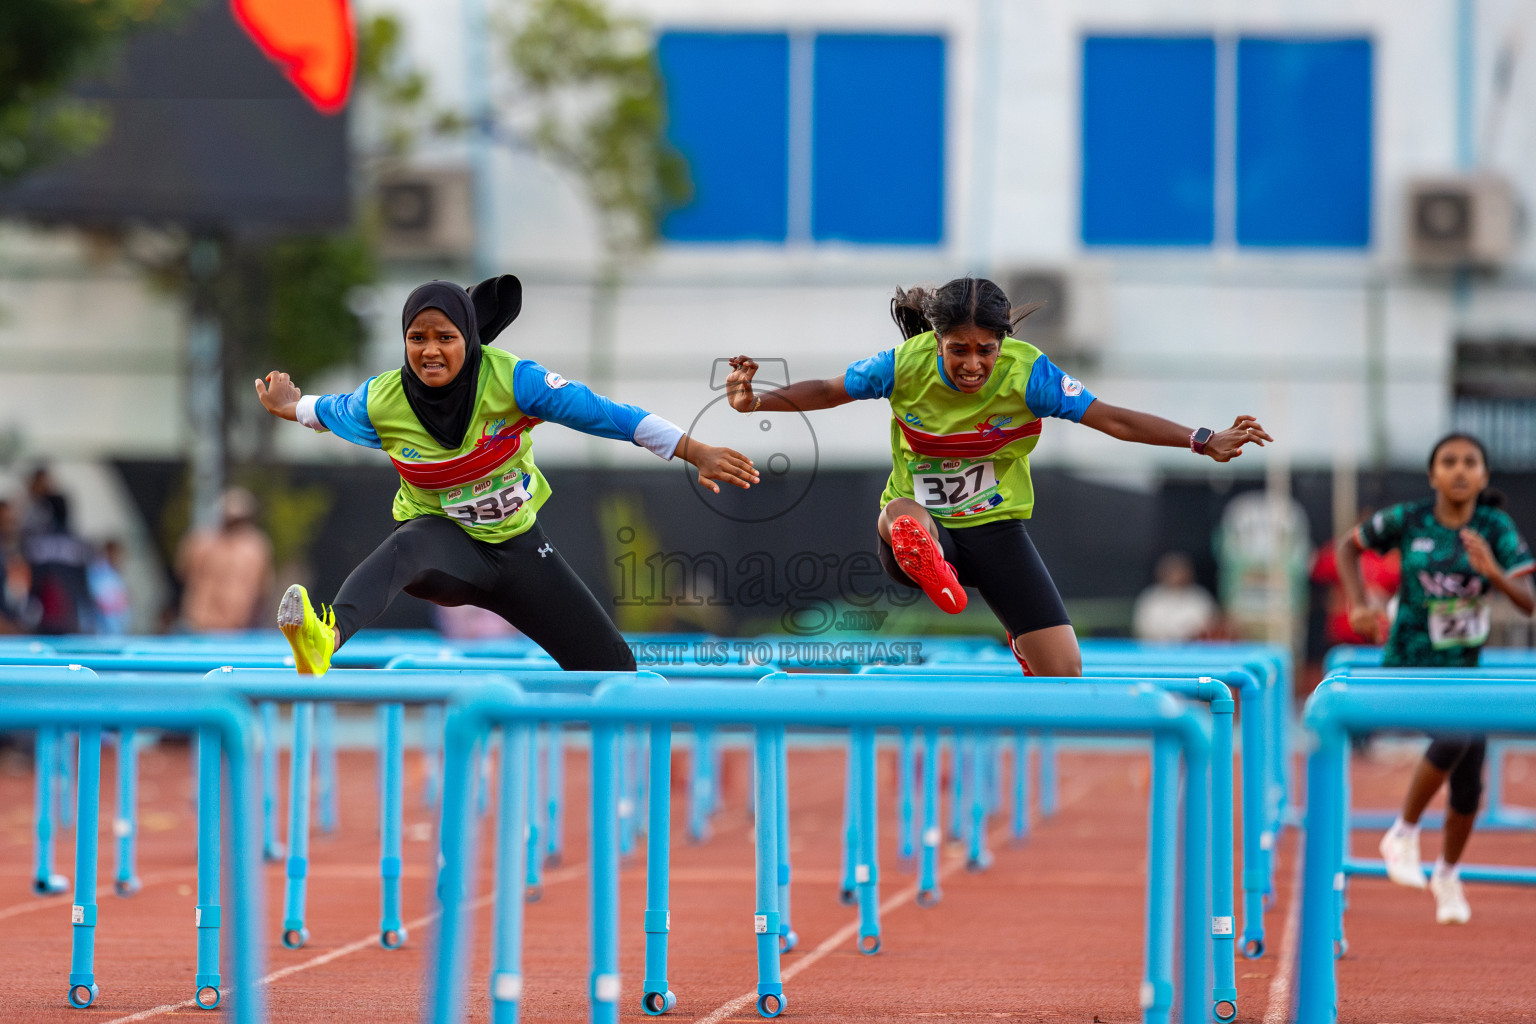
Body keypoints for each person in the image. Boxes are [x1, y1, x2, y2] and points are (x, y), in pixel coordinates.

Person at [723, 277, 1271, 675]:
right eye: (957, 350)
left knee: (1065, 676)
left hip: (996, 531)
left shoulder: (1029, 375)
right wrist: (756, 403)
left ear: (1002, 343)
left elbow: (1115, 419)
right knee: (903, 515)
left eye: (985, 351)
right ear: (935, 340)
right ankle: (922, 550)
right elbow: (825, 390)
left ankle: (1021, 641)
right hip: (923, 522)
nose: (971, 365)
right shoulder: (903, 365)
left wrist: (1201, 439)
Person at [256, 275, 757, 674]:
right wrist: (289, 405)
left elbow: (608, 414)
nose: (430, 350)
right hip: (446, 552)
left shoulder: (513, 380)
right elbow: (320, 410)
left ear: (469, 339)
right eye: (417, 338)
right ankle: (326, 640)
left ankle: (636, 789)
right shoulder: (382, 398)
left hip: (520, 554)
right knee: (411, 540)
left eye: (445, 337)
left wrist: (693, 449)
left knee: (613, 669)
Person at [1338, 433, 1535, 924]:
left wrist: (1491, 570)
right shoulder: (1410, 519)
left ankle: (1447, 873)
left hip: (1464, 669)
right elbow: (1348, 547)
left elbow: (1528, 602)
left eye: (1471, 461)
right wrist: (1358, 604)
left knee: (1469, 786)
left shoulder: (1495, 527)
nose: (1460, 469)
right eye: (1449, 462)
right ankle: (1401, 834)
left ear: (1484, 475)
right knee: (1456, 735)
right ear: (1433, 475)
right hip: (1408, 662)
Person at [175, 487, 275, 631]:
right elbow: (184, 573)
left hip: (238, 627)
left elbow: (263, 588)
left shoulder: (256, 547)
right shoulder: (203, 542)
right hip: (200, 623)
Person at [1312, 507, 1401, 647]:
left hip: (1376, 633)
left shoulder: (1391, 560)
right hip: (1345, 632)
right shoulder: (1339, 552)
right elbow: (1316, 572)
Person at [1132, 551, 1220, 642]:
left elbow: (1207, 628)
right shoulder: (1150, 598)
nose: (1176, 576)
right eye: (1171, 571)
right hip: (1155, 651)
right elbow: (1142, 628)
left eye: (1180, 571)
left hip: (1191, 651)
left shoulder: (1200, 598)